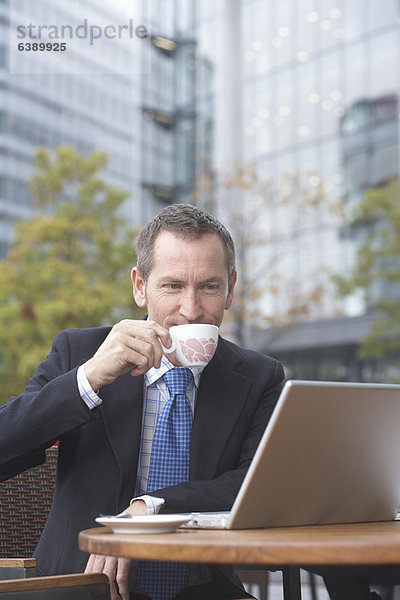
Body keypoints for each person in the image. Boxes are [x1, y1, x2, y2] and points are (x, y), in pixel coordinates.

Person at [0, 203, 284, 600]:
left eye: (209, 286)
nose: (191, 310)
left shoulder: (259, 376)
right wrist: (90, 378)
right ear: (139, 286)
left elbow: (253, 484)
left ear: (230, 289)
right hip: (79, 583)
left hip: (201, 587)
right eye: (172, 286)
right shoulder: (79, 352)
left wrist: (148, 510)